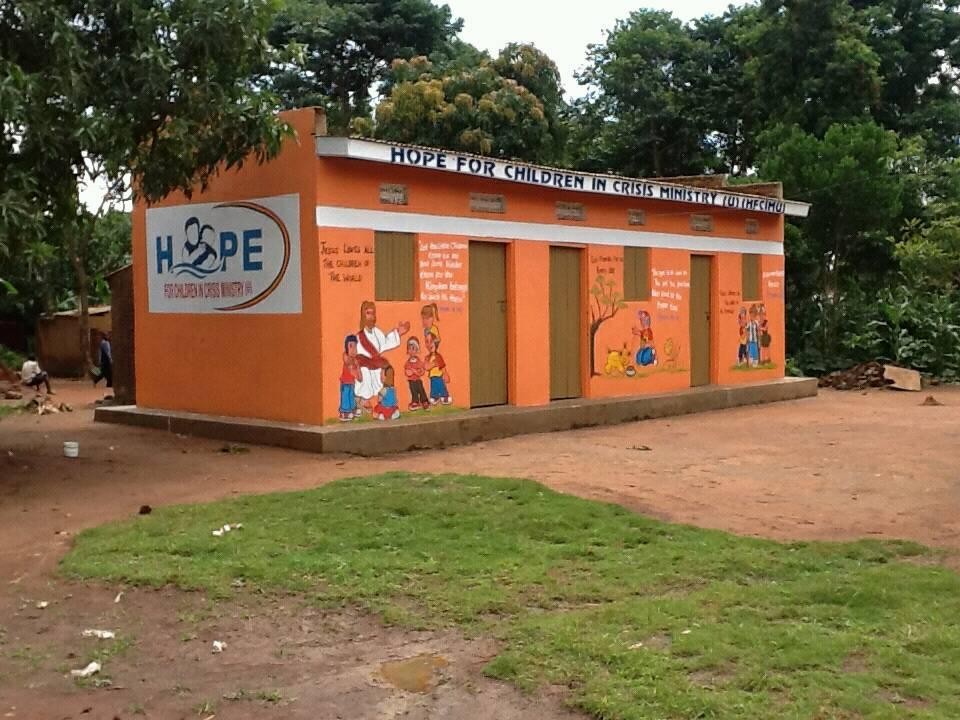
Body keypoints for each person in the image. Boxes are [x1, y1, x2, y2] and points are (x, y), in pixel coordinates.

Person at [354, 300, 410, 412]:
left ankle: (387, 403)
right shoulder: (359, 337)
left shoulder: (377, 332)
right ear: (363, 315)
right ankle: (363, 399)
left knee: (389, 371)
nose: (371, 316)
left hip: (377, 366)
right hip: (365, 367)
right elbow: (357, 357)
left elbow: (386, 342)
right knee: (365, 374)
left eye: (373, 313)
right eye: (368, 313)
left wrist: (398, 333)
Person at [424, 329, 452, 405]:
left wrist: (445, 374)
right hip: (432, 377)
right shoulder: (427, 357)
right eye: (427, 341)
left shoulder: (438, 356)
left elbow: (442, 366)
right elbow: (426, 367)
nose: (429, 344)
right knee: (433, 388)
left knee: (441, 386)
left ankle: (445, 396)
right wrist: (433, 364)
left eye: (431, 341)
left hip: (439, 376)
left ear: (436, 343)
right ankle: (434, 397)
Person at [403, 336, 430, 411]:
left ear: (417, 350)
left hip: (418, 380)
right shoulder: (408, 362)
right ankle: (415, 402)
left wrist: (416, 372)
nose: (411, 351)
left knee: (421, 390)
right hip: (411, 381)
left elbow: (422, 371)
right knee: (413, 391)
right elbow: (407, 372)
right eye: (409, 349)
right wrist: (409, 372)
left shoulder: (418, 361)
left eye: (413, 349)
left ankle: (424, 401)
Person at [338, 334, 361, 421]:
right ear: (346, 347)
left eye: (355, 346)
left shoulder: (355, 361)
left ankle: (352, 409)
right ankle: (344, 412)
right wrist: (354, 362)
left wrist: (358, 370)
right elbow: (347, 361)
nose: (353, 349)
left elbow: (359, 375)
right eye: (351, 346)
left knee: (351, 396)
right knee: (345, 396)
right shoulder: (346, 355)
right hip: (345, 382)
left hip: (351, 383)